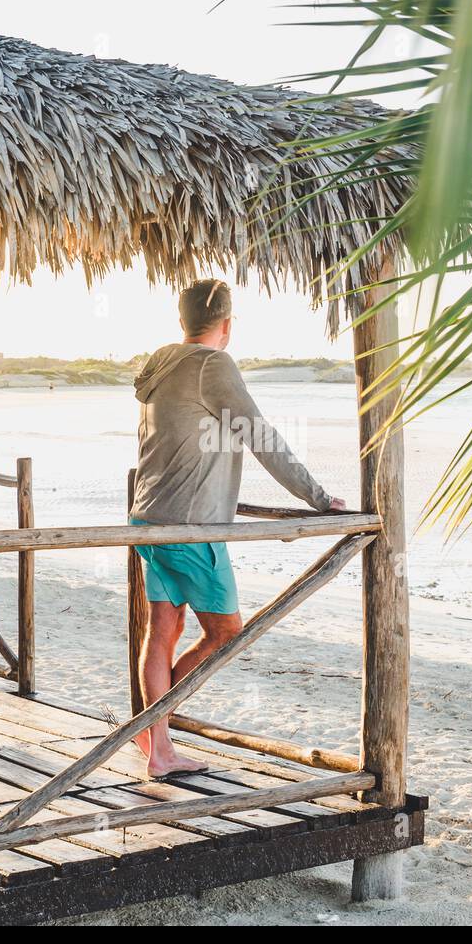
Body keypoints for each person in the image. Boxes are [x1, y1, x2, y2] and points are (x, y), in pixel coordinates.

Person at [129, 278, 345, 777]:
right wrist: (317, 498)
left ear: (181, 321)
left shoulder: (159, 364)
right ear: (227, 325)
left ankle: (155, 742)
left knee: (163, 629)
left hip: (147, 516)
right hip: (189, 525)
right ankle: (152, 729)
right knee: (226, 631)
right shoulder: (212, 364)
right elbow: (260, 436)